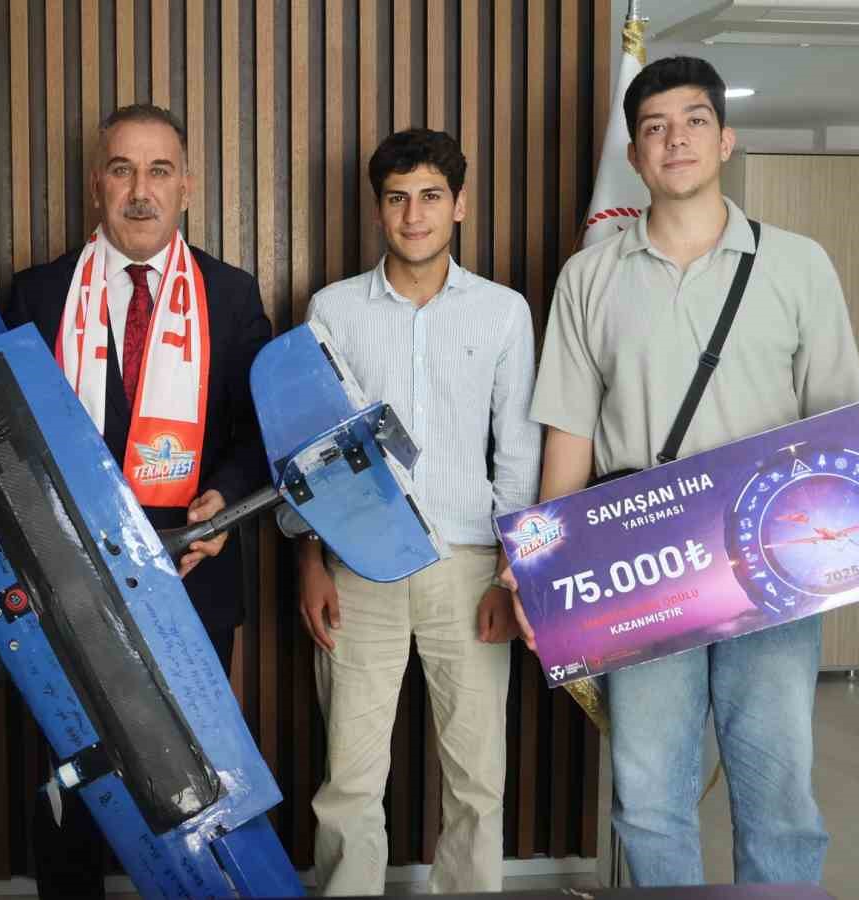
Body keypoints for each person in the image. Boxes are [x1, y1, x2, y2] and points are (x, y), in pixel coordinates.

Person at [513, 56, 859, 886]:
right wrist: (539, 577)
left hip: (775, 552)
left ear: (725, 140)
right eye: (654, 128)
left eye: (693, 122)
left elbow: (841, 421)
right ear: (635, 154)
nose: (674, 140)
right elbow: (569, 434)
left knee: (776, 787)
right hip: (640, 561)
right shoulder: (589, 277)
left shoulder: (797, 263)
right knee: (650, 791)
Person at [0, 103, 272, 899]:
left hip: (191, 572)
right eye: (123, 169)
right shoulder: (39, 293)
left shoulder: (230, 295)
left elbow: (257, 430)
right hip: (61, 578)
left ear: (187, 185)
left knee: (196, 773)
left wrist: (225, 499)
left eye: (160, 171)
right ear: (97, 184)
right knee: (71, 770)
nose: (140, 190)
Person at [295, 128, 538, 895]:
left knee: (477, 777)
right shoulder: (333, 309)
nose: (414, 215)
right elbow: (311, 449)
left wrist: (510, 577)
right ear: (378, 210)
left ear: (459, 205)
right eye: (397, 198)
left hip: (470, 568)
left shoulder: (502, 313)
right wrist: (311, 560)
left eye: (431, 196)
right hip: (358, 564)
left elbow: (519, 452)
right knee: (349, 777)